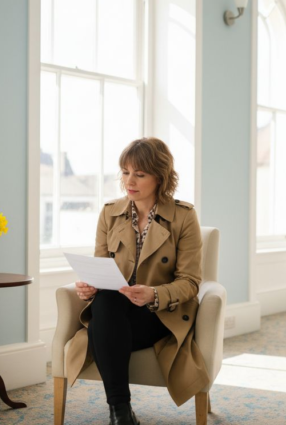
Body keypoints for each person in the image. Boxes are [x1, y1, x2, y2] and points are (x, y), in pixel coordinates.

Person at [65, 137, 210, 425]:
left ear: (160, 177)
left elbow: (191, 282)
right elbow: (101, 266)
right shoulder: (110, 212)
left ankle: (119, 413)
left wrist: (154, 294)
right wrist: (90, 286)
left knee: (100, 330)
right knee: (106, 301)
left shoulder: (184, 217)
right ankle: (121, 413)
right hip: (114, 309)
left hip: (159, 313)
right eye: (125, 171)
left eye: (139, 174)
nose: (129, 181)